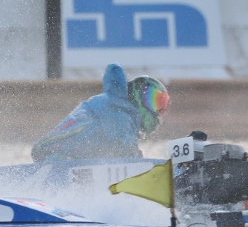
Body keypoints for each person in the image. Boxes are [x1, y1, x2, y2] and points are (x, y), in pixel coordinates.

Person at [31, 63, 169, 162]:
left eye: (161, 104)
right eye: (152, 99)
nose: (158, 109)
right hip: (59, 161)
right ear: (136, 94)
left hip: (59, 158)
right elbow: (123, 150)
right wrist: (139, 162)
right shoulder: (119, 112)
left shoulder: (113, 103)